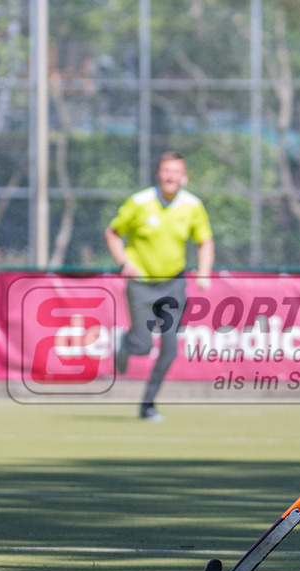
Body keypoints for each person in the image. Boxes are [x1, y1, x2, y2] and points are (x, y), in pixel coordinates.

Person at [105, 151, 214, 421]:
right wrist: (124, 263)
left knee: (169, 349)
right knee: (142, 346)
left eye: (176, 171)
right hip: (141, 284)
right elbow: (113, 232)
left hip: (173, 285)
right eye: (166, 170)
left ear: (184, 176)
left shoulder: (192, 205)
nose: (170, 176)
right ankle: (126, 343)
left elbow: (205, 241)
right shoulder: (139, 202)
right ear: (159, 173)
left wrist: (203, 272)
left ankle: (148, 404)